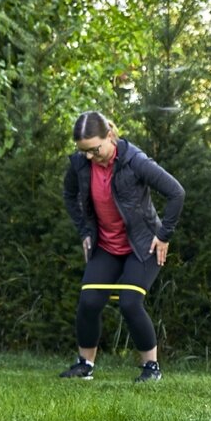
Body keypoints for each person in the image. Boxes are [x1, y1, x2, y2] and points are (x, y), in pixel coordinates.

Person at [60, 111, 185, 382]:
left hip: (142, 245)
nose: (90, 156)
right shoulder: (81, 165)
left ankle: (151, 368)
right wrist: (84, 230)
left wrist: (163, 235)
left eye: (95, 149)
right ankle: (85, 365)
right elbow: (69, 195)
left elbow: (176, 192)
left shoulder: (135, 161)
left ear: (110, 136)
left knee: (130, 302)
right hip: (105, 245)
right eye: (85, 152)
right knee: (89, 301)